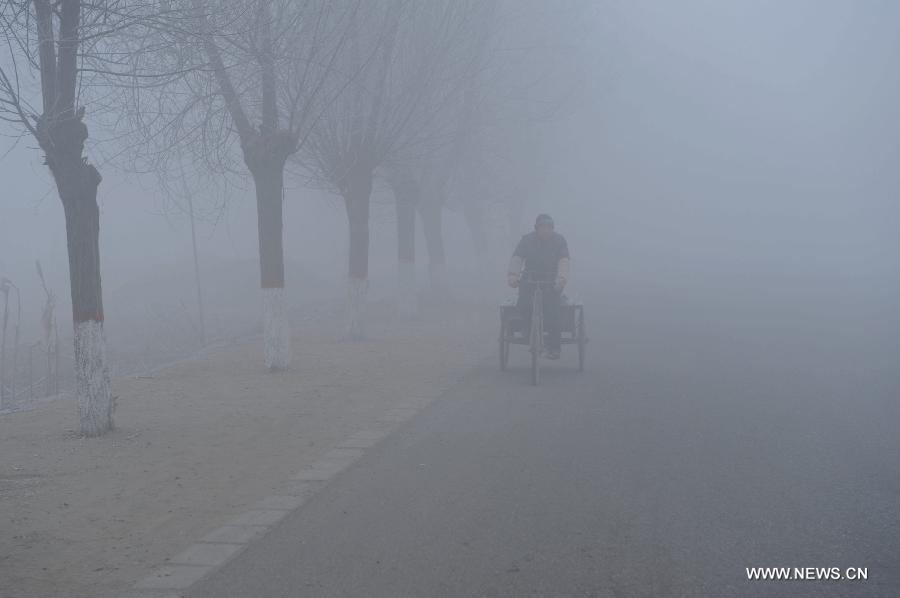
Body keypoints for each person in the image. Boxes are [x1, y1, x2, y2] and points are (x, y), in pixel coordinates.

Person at [507, 214, 570, 359]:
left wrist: (561, 279)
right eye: (542, 227)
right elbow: (517, 258)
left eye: (549, 227)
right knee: (523, 304)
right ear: (536, 228)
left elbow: (564, 261)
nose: (545, 230)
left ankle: (554, 348)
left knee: (553, 311)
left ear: (552, 228)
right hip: (529, 279)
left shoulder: (559, 241)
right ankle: (527, 330)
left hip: (551, 281)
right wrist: (513, 276)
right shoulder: (527, 240)